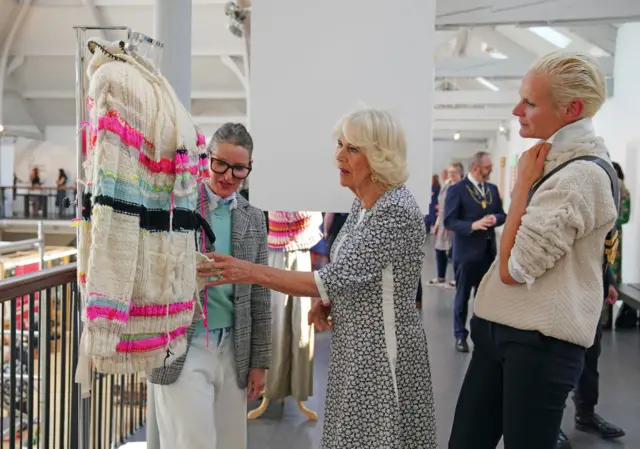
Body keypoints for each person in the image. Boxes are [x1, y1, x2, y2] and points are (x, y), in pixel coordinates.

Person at [198, 108, 438, 449]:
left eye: (352, 149)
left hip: (383, 355)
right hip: (354, 347)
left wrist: (247, 270)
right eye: (340, 145)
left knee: (378, 438)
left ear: (379, 155)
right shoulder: (362, 206)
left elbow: (330, 277)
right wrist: (329, 302)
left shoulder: (394, 210)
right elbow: (358, 273)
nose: (339, 155)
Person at [448, 51, 618, 449]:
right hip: (501, 331)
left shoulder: (581, 175)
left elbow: (513, 268)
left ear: (571, 108)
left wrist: (523, 185)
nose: (516, 110)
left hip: (538, 342)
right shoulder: (556, 161)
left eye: (529, 102)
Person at [146, 123, 271, 449]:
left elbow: (259, 294)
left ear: (249, 168)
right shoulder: (176, 204)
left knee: (231, 442)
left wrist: (260, 361)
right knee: (191, 442)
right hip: (182, 345)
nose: (228, 175)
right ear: (207, 159)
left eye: (239, 168)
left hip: (234, 348)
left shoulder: (254, 218)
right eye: (221, 164)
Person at [443, 152, 506, 352]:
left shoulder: (492, 189)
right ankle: (460, 335)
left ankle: (481, 336)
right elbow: (449, 221)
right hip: (466, 253)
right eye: (488, 167)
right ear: (476, 168)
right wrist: (473, 224)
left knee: (485, 297)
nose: (491, 171)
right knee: (462, 296)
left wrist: (496, 219)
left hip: (488, 253)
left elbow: (501, 214)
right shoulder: (457, 190)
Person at [557, 265, 625, 448]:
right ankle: (549, 424)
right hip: (557, 294)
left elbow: (598, 250)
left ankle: (585, 416)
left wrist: (608, 280)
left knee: (589, 359)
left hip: (588, 295)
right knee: (557, 365)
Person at [429, 162, 463, 286]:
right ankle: (440, 277)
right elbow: (441, 207)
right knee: (439, 249)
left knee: (455, 252)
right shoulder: (446, 186)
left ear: (460, 173)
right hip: (443, 222)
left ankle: (456, 278)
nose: (451, 175)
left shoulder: (462, 188)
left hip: (455, 224)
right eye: (450, 172)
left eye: (454, 172)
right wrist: (437, 224)